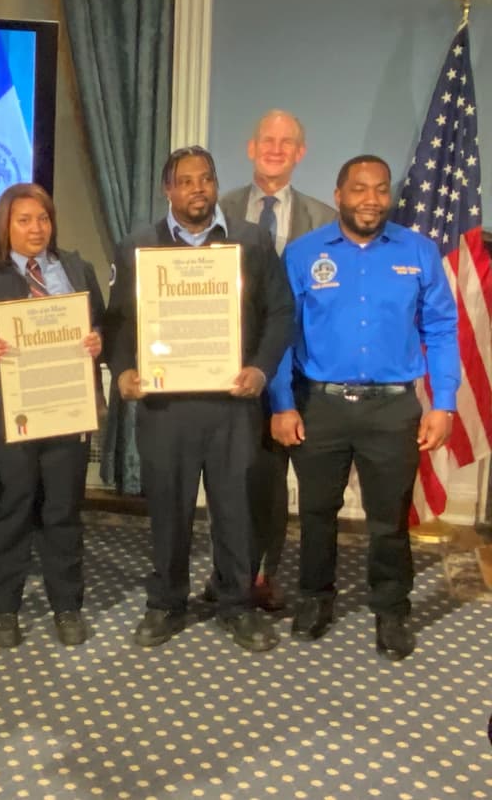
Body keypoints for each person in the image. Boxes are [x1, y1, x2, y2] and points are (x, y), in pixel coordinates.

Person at [269, 155, 458, 662]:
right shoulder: (304, 254)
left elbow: (441, 330)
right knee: (314, 512)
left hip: (392, 409)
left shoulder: (419, 253)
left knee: (389, 519)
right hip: (320, 405)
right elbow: (282, 335)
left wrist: (444, 403)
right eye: (359, 189)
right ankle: (315, 599)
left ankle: (392, 608)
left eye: (379, 190)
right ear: (338, 195)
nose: (370, 200)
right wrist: (282, 403)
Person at [105, 146, 293, 653]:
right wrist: (123, 371)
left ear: (215, 184)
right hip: (166, 408)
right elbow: (118, 322)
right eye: (185, 181)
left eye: (206, 179)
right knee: (168, 510)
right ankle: (166, 603)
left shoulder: (250, 241)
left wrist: (260, 368)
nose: (197, 190)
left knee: (235, 510)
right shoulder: (138, 245)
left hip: (232, 404)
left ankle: (236, 605)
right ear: (169, 190)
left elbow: (280, 313)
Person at [0, 183, 104, 649]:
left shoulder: (75, 268)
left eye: (43, 219)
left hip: (66, 412)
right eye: (25, 220)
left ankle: (67, 605)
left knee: (62, 513)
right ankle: (5, 609)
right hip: (3, 418)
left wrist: (96, 339)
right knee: (9, 511)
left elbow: (99, 323)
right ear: (5, 225)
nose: (37, 229)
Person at [216, 109, 335, 610]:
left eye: (287, 142)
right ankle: (230, 572)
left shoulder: (324, 219)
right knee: (232, 478)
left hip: (297, 367)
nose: (276, 148)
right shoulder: (220, 211)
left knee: (273, 484)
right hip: (233, 368)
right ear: (251, 147)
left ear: (300, 153)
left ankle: (265, 575)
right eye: (268, 139)